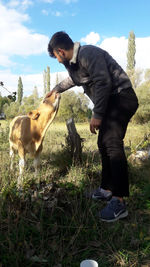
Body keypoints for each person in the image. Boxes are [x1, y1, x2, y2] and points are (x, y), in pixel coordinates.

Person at [46, 31, 139, 222]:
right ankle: (106, 189)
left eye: (56, 56)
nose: (57, 60)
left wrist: (97, 115)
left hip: (122, 97)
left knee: (112, 142)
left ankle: (119, 202)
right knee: (103, 143)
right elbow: (73, 80)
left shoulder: (88, 54)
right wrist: (56, 89)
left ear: (61, 51)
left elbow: (103, 81)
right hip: (112, 101)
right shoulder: (76, 65)